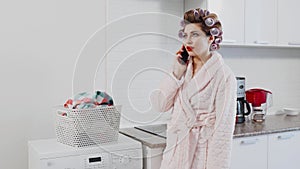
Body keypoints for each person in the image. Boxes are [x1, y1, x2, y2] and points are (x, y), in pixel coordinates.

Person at [150, 8, 237, 169]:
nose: (188, 41)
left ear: (210, 38)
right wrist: (176, 73)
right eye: (185, 35)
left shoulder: (224, 76)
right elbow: (160, 104)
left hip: (202, 154)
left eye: (195, 35)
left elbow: (223, 130)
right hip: (176, 153)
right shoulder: (182, 68)